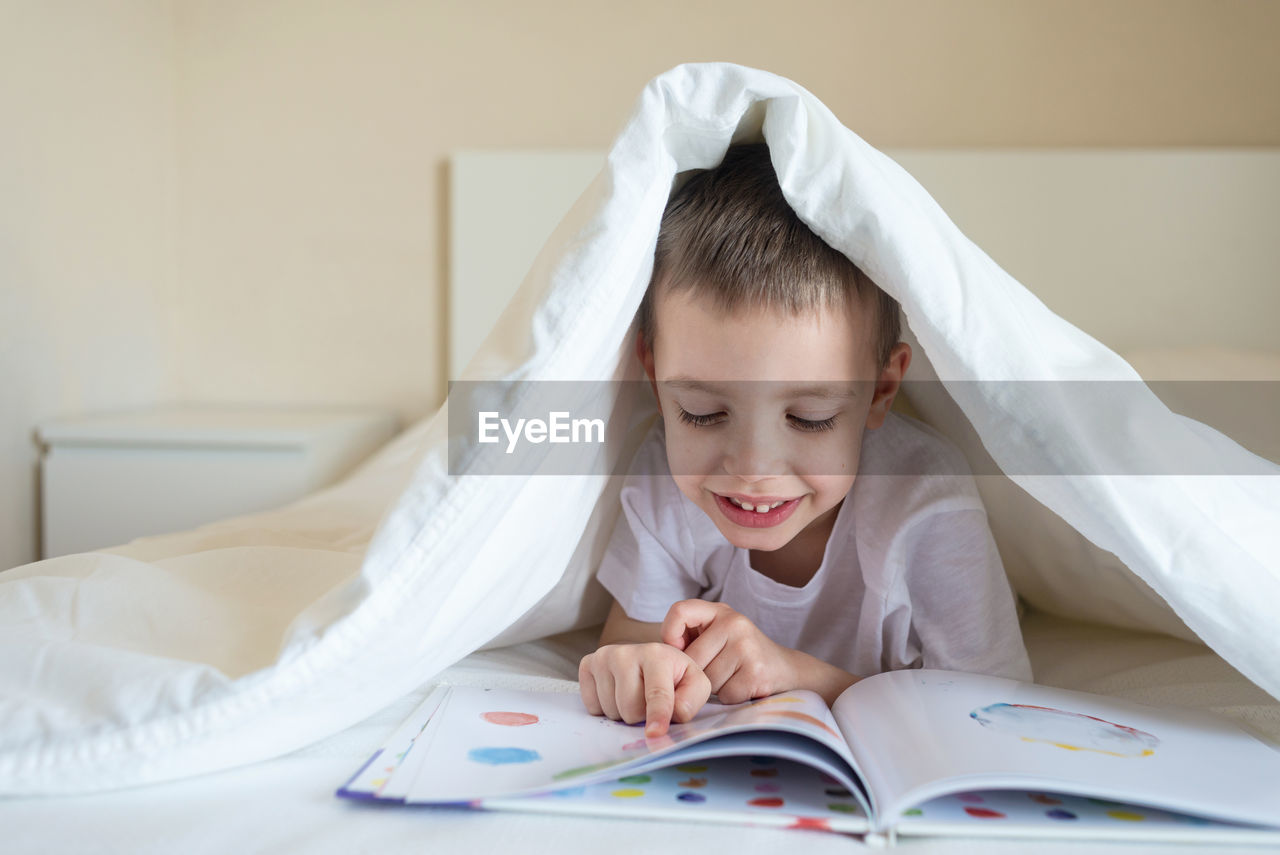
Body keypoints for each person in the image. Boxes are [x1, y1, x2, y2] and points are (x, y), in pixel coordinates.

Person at [578, 142, 1031, 738]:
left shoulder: (925, 507)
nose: (752, 468)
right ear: (655, 378)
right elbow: (632, 643)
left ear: (879, 391)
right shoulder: (666, 479)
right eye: (703, 412)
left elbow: (997, 710)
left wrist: (795, 673)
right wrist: (638, 668)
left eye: (810, 418)